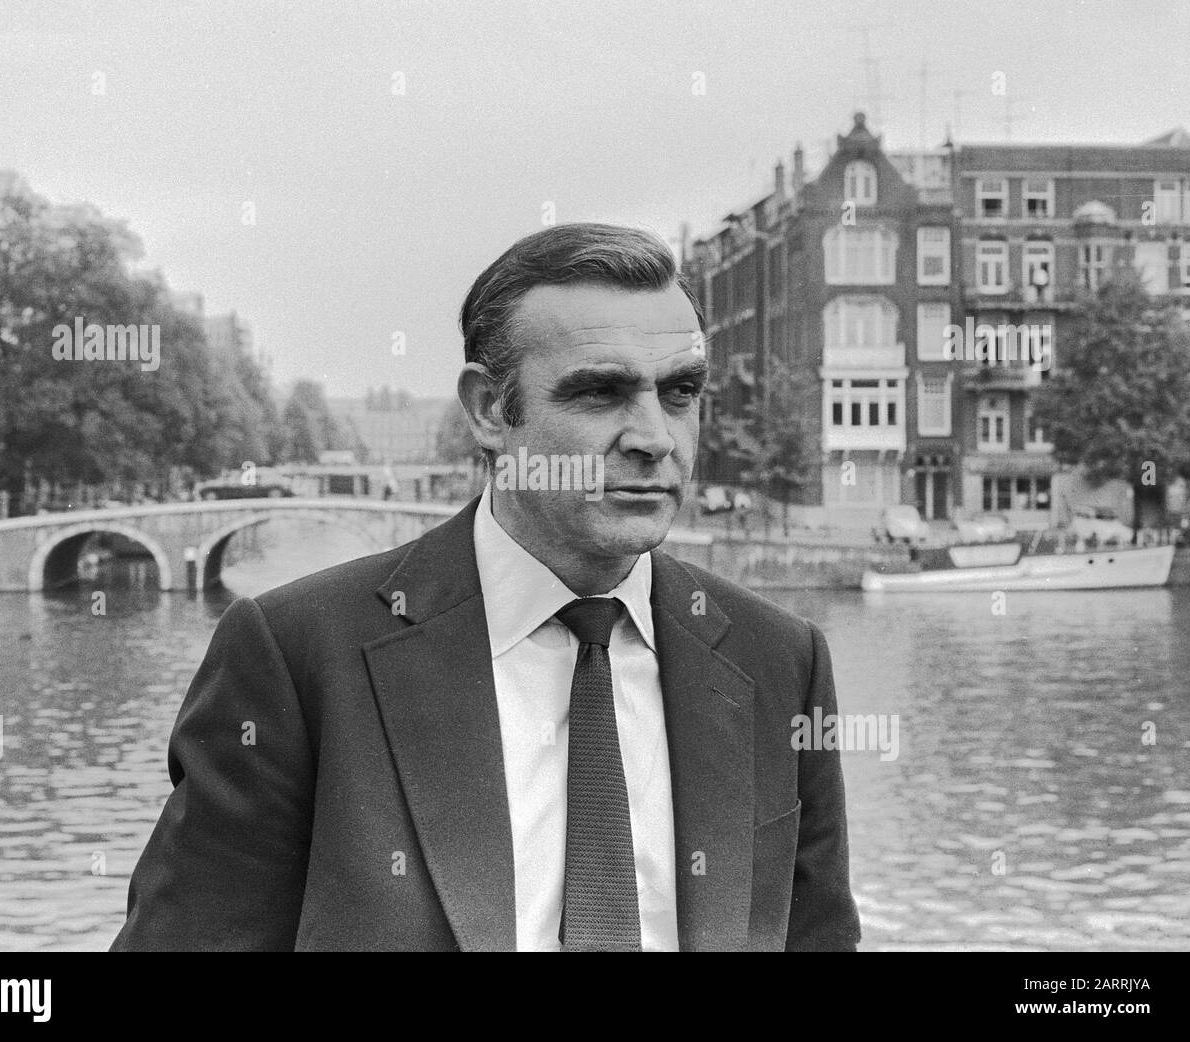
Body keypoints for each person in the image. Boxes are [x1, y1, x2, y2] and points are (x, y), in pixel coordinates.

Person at [112, 223, 860, 952]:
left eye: (681, 391)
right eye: (601, 394)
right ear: (489, 410)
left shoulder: (780, 663)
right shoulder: (298, 659)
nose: (655, 436)